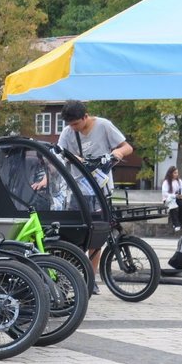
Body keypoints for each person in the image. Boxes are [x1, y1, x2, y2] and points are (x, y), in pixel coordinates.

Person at [56, 100, 133, 294]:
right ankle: (72, 276)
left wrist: (116, 153)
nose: (73, 128)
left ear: (85, 117)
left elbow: (127, 148)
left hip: (100, 189)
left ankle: (91, 277)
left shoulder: (104, 126)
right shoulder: (68, 133)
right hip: (77, 190)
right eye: (70, 125)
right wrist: (72, 158)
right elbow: (58, 154)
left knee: (97, 234)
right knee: (75, 234)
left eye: (76, 124)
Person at [161, 166, 182, 232]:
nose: (176, 174)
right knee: (173, 207)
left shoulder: (179, 181)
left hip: (177, 197)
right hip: (169, 199)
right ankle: (176, 224)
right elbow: (165, 193)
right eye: (175, 173)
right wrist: (174, 196)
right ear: (170, 173)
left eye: (177, 173)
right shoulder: (166, 182)